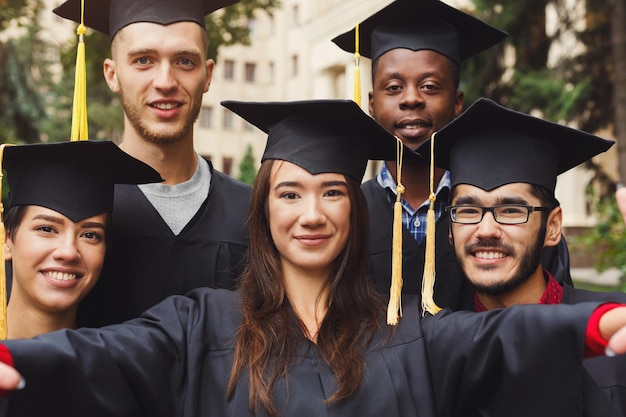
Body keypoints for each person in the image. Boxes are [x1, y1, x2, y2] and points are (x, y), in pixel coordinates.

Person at [0, 99, 624, 417]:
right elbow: (100, 355)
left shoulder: (409, 329)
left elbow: (499, 337)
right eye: (289, 193)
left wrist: (592, 323)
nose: (312, 214)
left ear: (355, 210)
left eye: (333, 192)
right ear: (264, 210)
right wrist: (10, 357)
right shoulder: (199, 324)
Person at [332, 0, 572, 310]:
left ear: (457, 102)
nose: (411, 99)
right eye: (393, 87)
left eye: (430, 86)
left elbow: (558, 320)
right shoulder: (344, 214)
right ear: (371, 104)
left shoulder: (515, 221)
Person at [52, 0, 252, 327]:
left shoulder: (254, 213)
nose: (165, 81)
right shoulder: (73, 208)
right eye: (143, 60)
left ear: (208, 75)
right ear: (112, 74)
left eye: (185, 61)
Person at [424, 97, 626, 415]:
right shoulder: (428, 351)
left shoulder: (617, 328)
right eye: (468, 210)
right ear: (449, 230)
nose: (486, 229)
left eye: (511, 210)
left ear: (553, 226)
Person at [1, 141, 162, 339]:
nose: (68, 252)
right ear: (6, 239)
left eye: (90, 235)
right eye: (46, 229)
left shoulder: (110, 366)